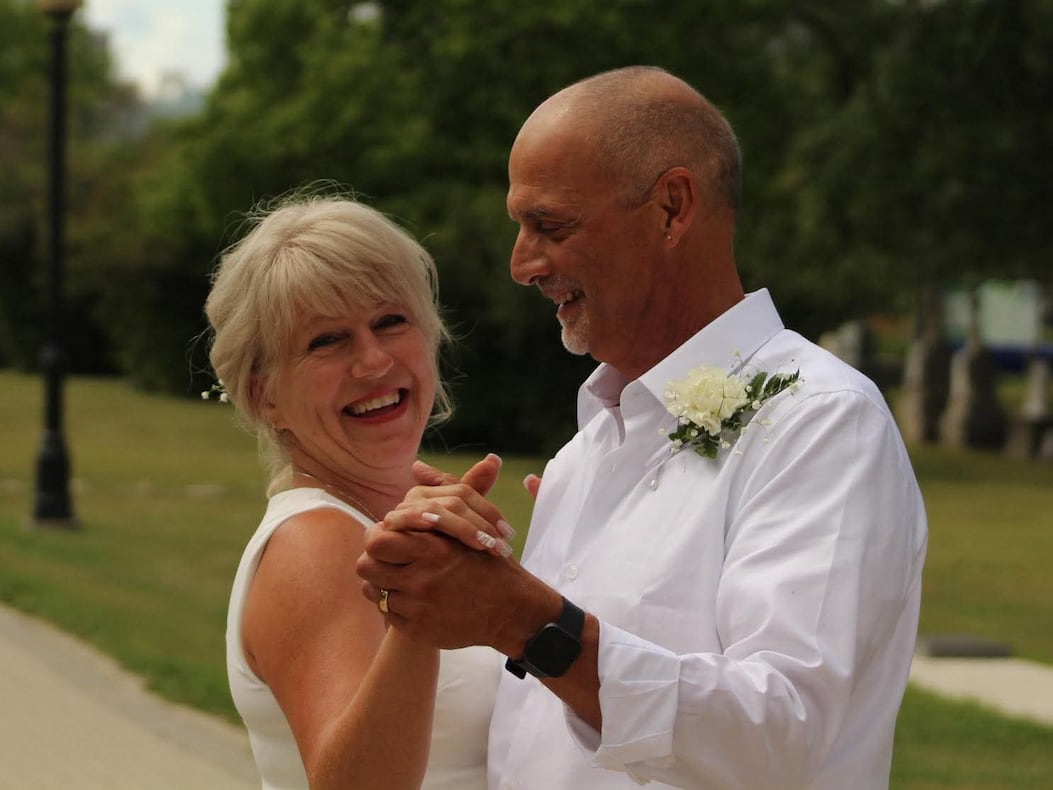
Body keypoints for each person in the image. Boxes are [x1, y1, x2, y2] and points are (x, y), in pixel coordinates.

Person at [357, 66, 929, 789]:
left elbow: (781, 737)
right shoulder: (583, 453)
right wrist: (445, 567)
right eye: (520, 228)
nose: (521, 265)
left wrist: (528, 622)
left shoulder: (821, 422)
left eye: (551, 226)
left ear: (671, 208)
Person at [205, 194, 515, 790]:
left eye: (390, 322)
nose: (373, 362)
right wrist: (419, 597)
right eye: (327, 341)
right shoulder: (316, 546)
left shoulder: (403, 521)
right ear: (265, 394)